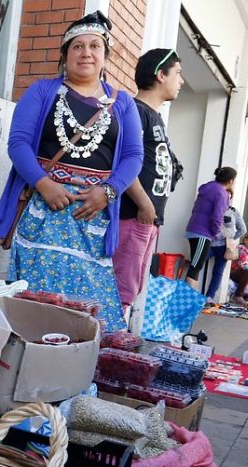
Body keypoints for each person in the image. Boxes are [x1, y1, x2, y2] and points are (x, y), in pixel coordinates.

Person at [0, 11, 144, 331]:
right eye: (77, 46)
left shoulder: (124, 104)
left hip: (93, 218)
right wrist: (43, 183)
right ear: (64, 55)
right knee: (34, 300)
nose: (86, 52)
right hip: (44, 213)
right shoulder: (42, 91)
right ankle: (28, 365)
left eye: (95, 46)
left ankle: (76, 370)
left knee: (89, 306)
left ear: (105, 56)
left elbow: (133, 156)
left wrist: (108, 191)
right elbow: (18, 143)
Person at [113, 48, 184, 314]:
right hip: (134, 215)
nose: (182, 81)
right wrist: (144, 204)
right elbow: (123, 161)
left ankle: (114, 341)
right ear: (160, 75)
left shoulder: (155, 116)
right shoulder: (135, 111)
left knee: (133, 286)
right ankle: (105, 345)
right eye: (178, 73)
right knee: (122, 286)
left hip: (148, 219)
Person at [184, 166, 238, 289]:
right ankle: (188, 303)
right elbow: (217, 216)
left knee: (196, 266)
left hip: (193, 229)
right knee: (195, 267)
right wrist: (216, 233)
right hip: (202, 233)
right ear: (230, 180)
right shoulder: (221, 193)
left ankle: (192, 300)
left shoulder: (208, 188)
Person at [204, 191, 246, 302]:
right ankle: (189, 292)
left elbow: (243, 229)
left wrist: (231, 238)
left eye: (229, 196)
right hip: (208, 244)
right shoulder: (210, 209)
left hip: (224, 247)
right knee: (194, 264)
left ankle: (209, 297)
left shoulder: (233, 212)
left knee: (218, 272)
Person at [229, 234, 248, 305]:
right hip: (234, 272)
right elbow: (243, 265)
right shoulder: (242, 248)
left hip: (240, 273)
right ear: (245, 240)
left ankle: (244, 296)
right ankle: (238, 295)